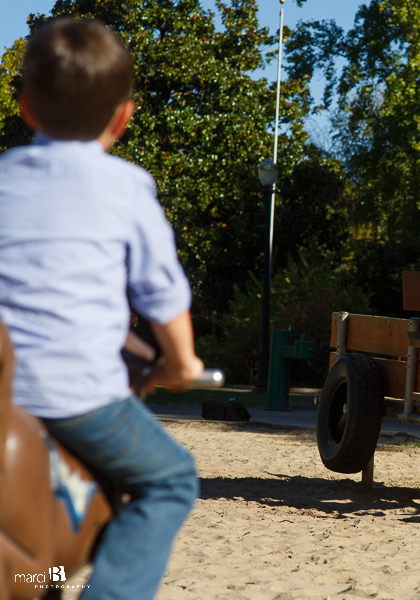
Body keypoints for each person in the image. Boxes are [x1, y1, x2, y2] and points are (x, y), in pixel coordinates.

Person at [0, 19, 203, 600]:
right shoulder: (126, 187)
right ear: (124, 117)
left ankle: (46, 576)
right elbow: (161, 292)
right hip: (74, 395)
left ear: (26, 109)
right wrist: (181, 364)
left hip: (1, 383)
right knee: (170, 479)